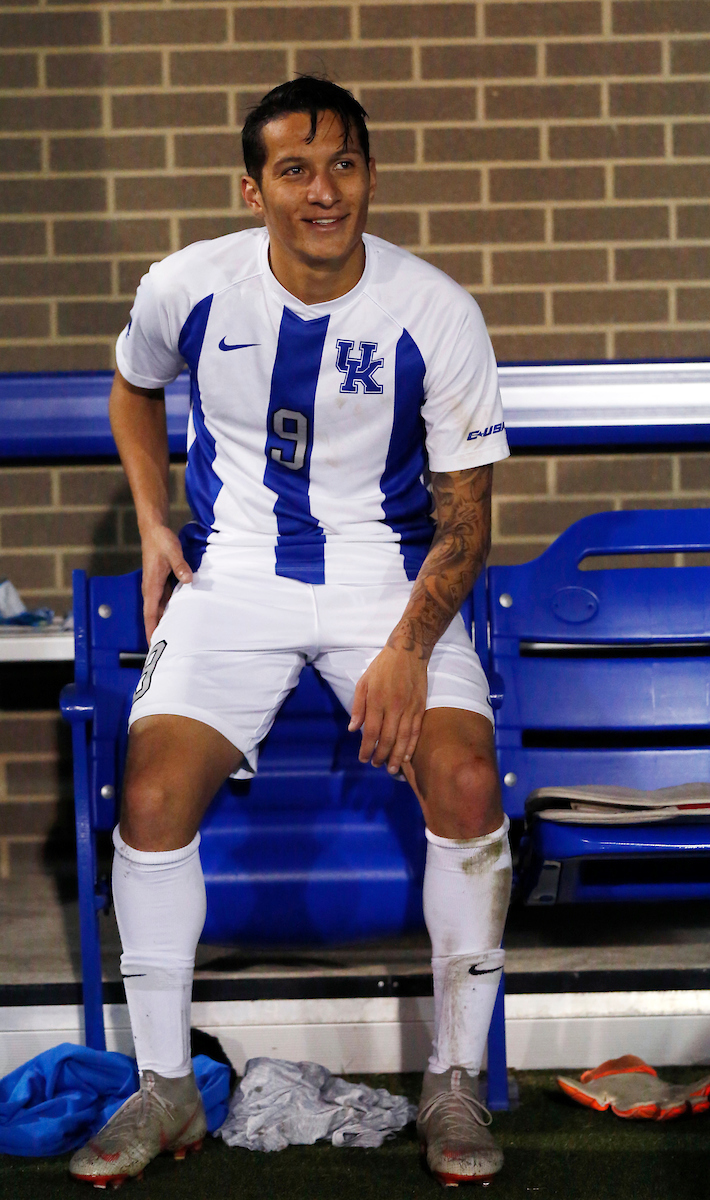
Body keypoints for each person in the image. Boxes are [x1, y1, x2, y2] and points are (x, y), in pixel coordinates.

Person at [68, 76, 512, 1189]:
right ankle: (164, 1088)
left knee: (464, 782)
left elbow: (467, 525)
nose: (325, 192)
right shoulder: (191, 286)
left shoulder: (435, 310)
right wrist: (154, 519)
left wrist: (407, 650)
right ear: (252, 187)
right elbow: (132, 387)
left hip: (388, 576)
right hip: (239, 574)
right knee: (153, 795)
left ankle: (452, 1082)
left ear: (369, 174)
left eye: (345, 167)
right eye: (296, 171)